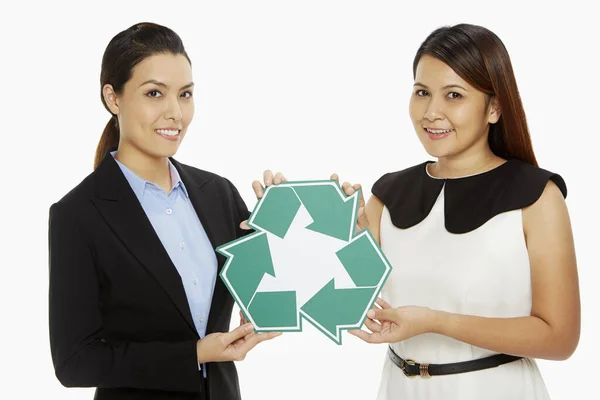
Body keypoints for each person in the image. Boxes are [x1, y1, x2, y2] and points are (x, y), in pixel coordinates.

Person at [334, 23, 580, 399]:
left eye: (453, 95)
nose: (432, 112)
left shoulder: (537, 197)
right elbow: (349, 302)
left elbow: (559, 338)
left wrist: (436, 322)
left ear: (494, 107)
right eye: (422, 92)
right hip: (399, 389)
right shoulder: (387, 194)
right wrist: (297, 221)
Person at [48, 22, 280, 400]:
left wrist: (299, 218)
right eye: (155, 93)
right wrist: (194, 354)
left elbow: (272, 292)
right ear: (113, 98)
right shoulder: (78, 215)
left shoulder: (218, 193)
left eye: (185, 94)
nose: (176, 113)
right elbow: (75, 362)